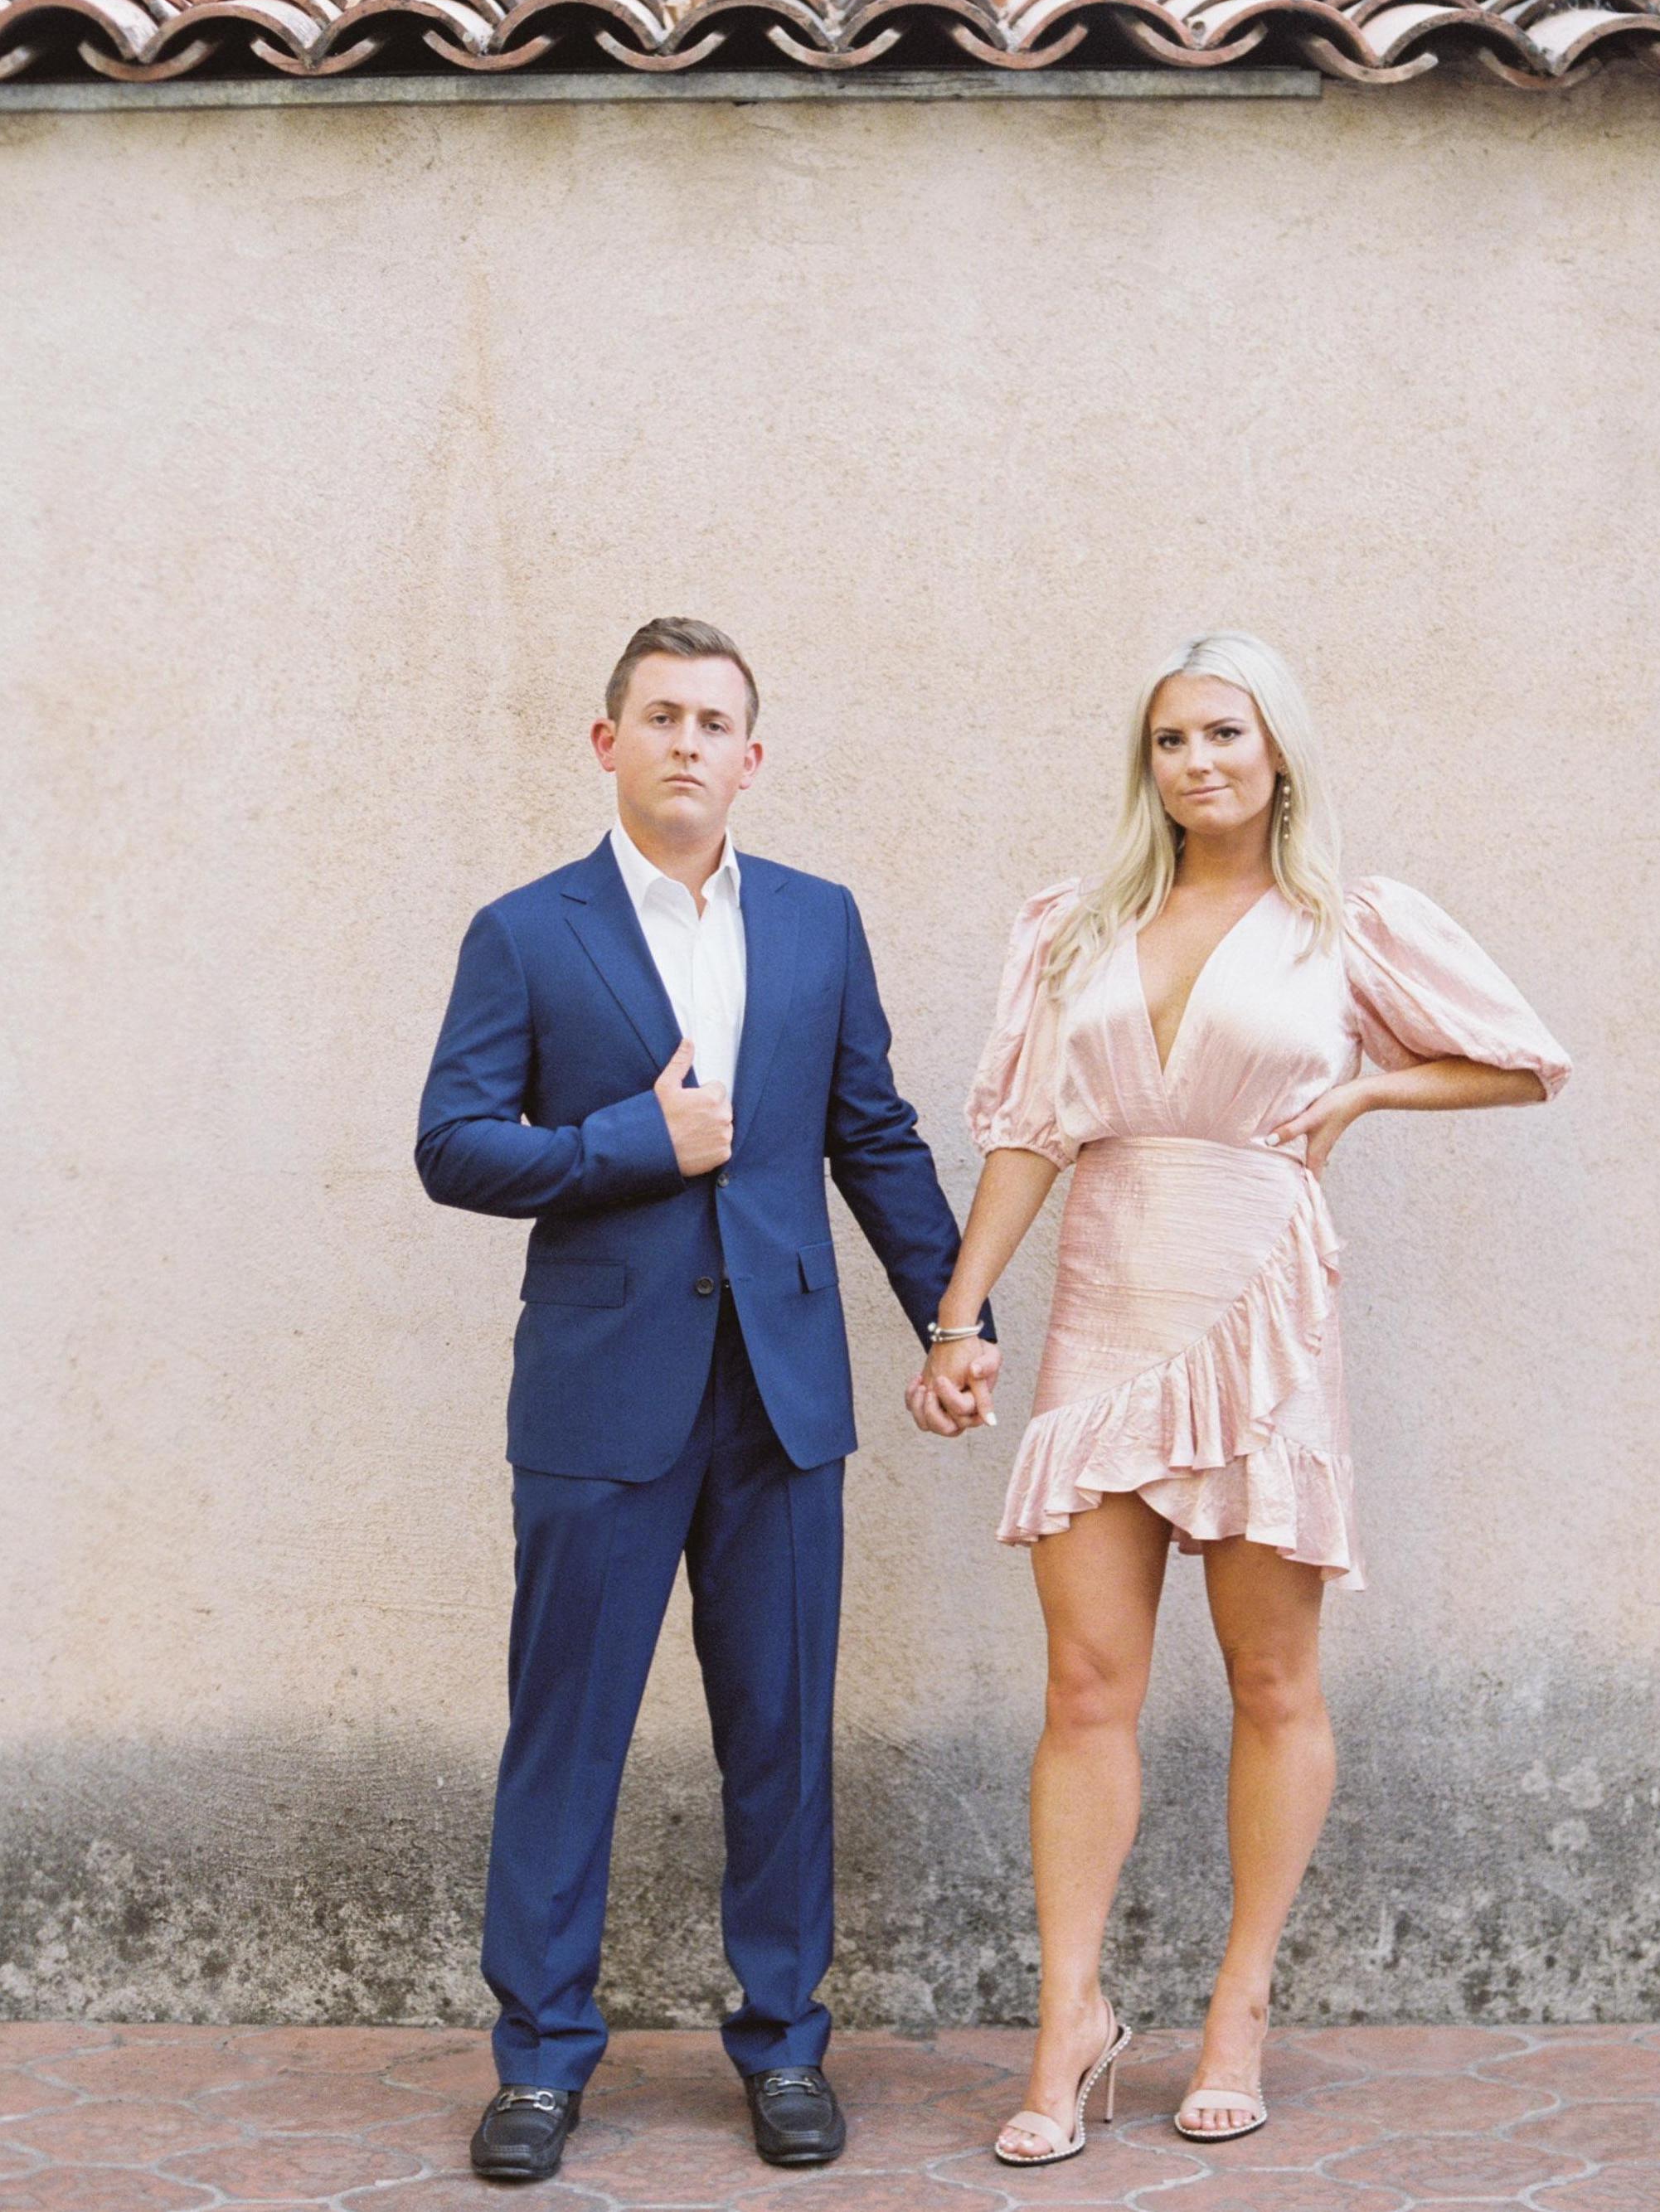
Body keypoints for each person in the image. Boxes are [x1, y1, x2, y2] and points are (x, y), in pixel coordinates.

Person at [908, 632, 1571, 2166]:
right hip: (1105, 1310)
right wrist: (958, 1318)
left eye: (1224, 733)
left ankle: (1240, 2006)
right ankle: (1070, 2021)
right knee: (1087, 1686)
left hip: (1261, 1310)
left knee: (1272, 1680)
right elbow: (1027, 1131)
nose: (1197, 761)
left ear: (1278, 754)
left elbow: (1524, 1059)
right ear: (1144, 766)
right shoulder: (1073, 927)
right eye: (1170, 740)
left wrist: (1371, 1086)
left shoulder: (1348, 924)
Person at [416, 618, 997, 2185]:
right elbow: (453, 1143)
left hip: (782, 1396)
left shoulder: (817, 920)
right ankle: (539, 2063)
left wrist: (955, 1318)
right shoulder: (525, 931)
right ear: (607, 743)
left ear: (753, 756)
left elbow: (874, 1134)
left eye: (714, 720)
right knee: (568, 1737)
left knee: (781, 1736)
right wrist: (631, 1142)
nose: (687, 741)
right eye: (660, 715)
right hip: (601, 1401)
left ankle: (786, 2044)